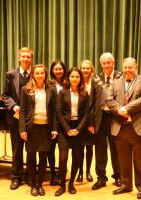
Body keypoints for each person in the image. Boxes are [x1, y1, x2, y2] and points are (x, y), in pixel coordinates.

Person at [107, 57, 141, 199]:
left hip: (136, 127)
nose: (127, 70)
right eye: (125, 67)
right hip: (120, 127)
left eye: (130, 67)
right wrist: (119, 110)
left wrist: (126, 108)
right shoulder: (115, 82)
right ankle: (126, 185)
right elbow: (108, 99)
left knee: (140, 161)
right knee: (123, 159)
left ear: (136, 67)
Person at [19, 64, 58, 196]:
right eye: (37, 73)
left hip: (45, 129)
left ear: (45, 74)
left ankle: (40, 184)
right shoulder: (26, 90)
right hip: (31, 128)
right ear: (33, 75)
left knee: (43, 157)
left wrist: (54, 129)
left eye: (42, 73)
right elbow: (23, 111)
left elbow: (54, 111)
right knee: (31, 157)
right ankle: (33, 185)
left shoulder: (51, 90)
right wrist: (22, 129)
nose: (40, 75)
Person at [55, 67, 89, 196]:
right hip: (65, 129)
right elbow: (58, 112)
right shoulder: (62, 92)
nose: (74, 79)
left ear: (80, 79)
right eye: (72, 76)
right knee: (63, 158)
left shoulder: (84, 93)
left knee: (76, 158)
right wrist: (68, 129)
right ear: (68, 78)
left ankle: (71, 184)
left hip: (78, 129)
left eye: (77, 77)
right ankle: (62, 185)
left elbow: (86, 114)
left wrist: (78, 129)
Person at [2, 47, 33, 190]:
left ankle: (30, 176)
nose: (26, 59)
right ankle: (16, 176)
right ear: (19, 57)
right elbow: (5, 95)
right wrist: (14, 106)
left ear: (31, 59)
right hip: (15, 118)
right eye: (24, 56)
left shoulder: (37, 74)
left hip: (32, 119)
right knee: (17, 149)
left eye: (28, 57)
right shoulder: (10, 75)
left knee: (32, 149)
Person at [91, 52, 122, 190]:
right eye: (103, 63)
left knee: (116, 148)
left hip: (115, 117)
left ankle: (118, 176)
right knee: (100, 149)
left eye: (108, 62)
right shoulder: (96, 78)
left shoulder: (120, 76)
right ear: (100, 64)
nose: (106, 65)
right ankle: (101, 178)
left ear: (113, 63)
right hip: (100, 118)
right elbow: (92, 100)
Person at [48, 59, 68, 186]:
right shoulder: (48, 84)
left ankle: (62, 173)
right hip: (50, 121)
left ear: (64, 70)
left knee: (63, 151)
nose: (58, 71)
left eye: (60, 69)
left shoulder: (68, 83)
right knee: (50, 149)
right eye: (56, 69)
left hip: (64, 122)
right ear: (52, 71)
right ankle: (53, 174)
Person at [76, 60, 95, 183]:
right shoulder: (77, 83)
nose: (85, 70)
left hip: (91, 122)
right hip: (79, 122)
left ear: (92, 70)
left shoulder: (95, 84)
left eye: (88, 68)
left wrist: (91, 123)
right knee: (79, 148)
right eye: (83, 68)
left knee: (89, 148)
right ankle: (80, 172)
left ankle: (88, 171)